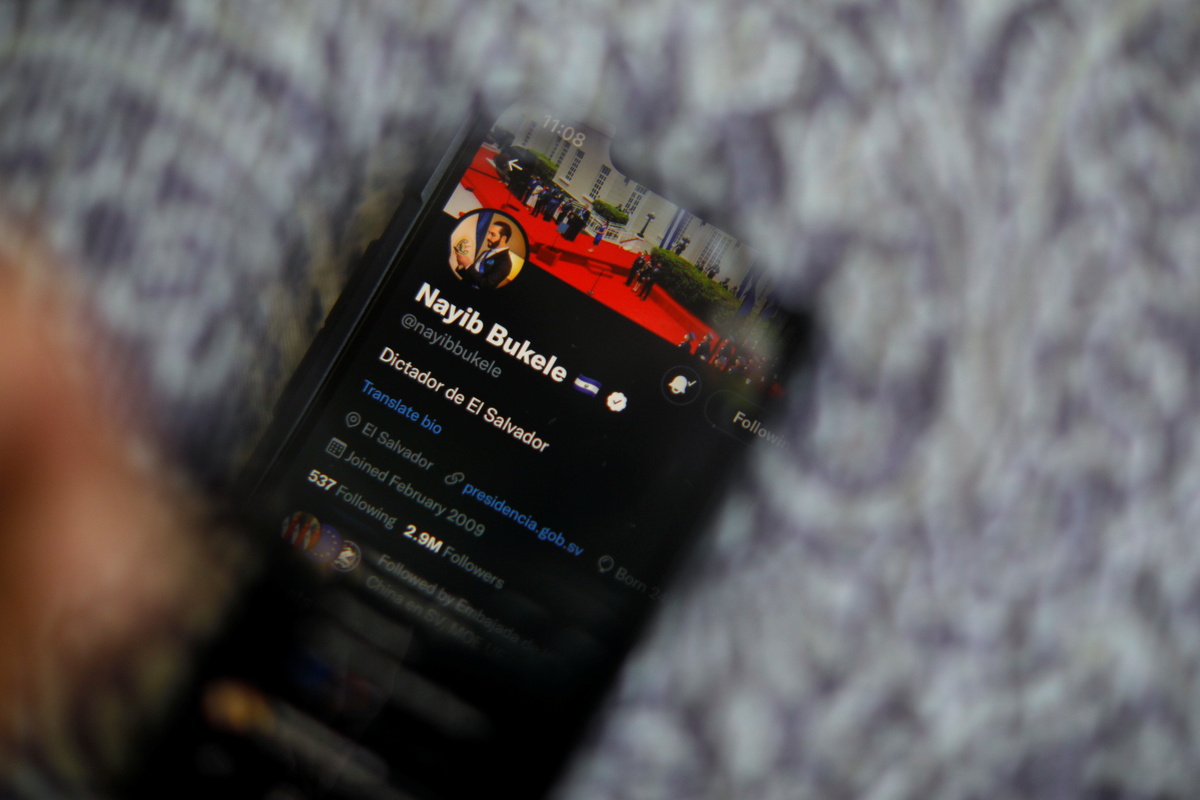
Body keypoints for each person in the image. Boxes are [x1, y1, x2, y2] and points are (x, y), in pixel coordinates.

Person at [455, 220, 515, 289]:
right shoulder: (485, 252)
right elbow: (472, 276)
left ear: (503, 238)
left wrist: (468, 265)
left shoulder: (505, 263)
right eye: (488, 233)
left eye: (493, 234)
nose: (488, 237)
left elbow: (486, 285)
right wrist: (462, 265)